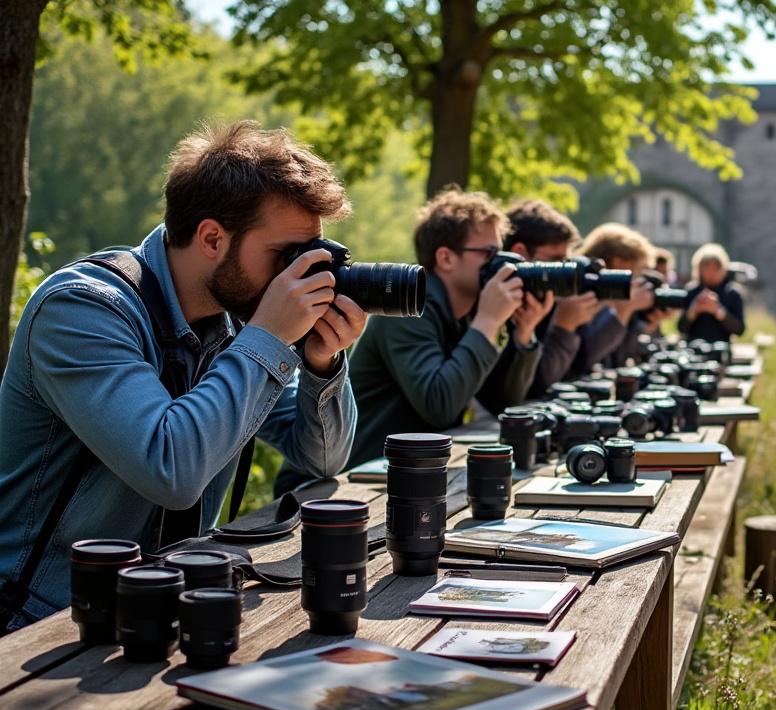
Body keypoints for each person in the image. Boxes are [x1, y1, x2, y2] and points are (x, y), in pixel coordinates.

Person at [0, 122, 364, 628]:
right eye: (286, 256)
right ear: (212, 238)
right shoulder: (81, 310)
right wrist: (268, 338)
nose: (299, 277)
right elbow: (171, 471)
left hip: (165, 605)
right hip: (40, 618)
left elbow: (322, 459)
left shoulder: (236, 320)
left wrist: (323, 364)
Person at [345, 188, 552, 468]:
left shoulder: (464, 313)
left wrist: (524, 333)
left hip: (407, 470)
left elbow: (498, 403)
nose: (500, 264)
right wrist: (487, 322)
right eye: (489, 253)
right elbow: (439, 405)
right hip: (356, 474)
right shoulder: (407, 306)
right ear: (446, 258)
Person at [500, 199, 602, 396]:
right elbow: (535, 386)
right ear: (520, 253)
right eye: (555, 261)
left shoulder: (547, 298)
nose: (563, 270)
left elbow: (578, 368)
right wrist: (564, 327)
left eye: (566, 261)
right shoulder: (497, 302)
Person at [575, 223, 661, 370]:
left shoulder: (611, 298)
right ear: (619, 262)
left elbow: (621, 356)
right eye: (637, 270)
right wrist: (624, 311)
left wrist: (647, 326)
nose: (638, 279)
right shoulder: (582, 293)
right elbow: (587, 356)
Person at [678, 243, 746, 343]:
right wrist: (694, 310)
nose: (711, 273)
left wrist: (718, 310)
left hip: (722, 348)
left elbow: (739, 330)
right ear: (699, 269)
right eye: (707, 268)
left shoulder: (732, 293)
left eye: (715, 268)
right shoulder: (692, 291)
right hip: (693, 348)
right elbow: (681, 328)